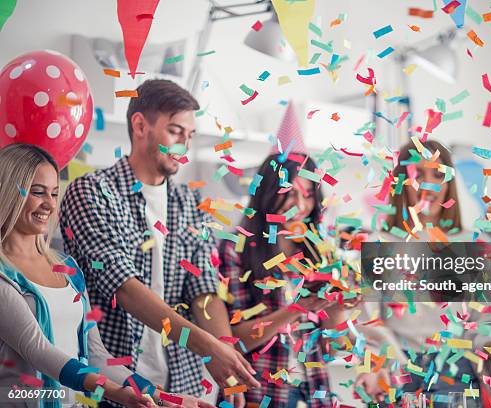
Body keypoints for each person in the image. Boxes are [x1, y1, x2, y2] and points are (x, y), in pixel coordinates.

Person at [59, 79, 259, 406]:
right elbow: (122, 286)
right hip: (115, 384)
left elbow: (203, 287)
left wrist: (226, 356)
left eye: (190, 136)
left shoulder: (188, 202)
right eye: (176, 132)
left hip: (181, 385)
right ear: (141, 125)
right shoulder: (92, 192)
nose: (185, 146)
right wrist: (210, 348)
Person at [0, 143, 210, 408]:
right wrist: (111, 390)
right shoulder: (4, 275)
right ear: (9, 192)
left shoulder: (68, 267)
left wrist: (164, 397)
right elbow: (38, 350)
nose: (49, 204)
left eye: (54, 193)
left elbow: (97, 355)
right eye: (38, 192)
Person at [356, 140, 487, 406]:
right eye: (418, 176)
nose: (429, 185)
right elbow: (369, 323)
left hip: (457, 373)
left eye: (438, 175)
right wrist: (390, 364)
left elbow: (482, 322)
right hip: (397, 371)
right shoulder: (378, 244)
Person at [218, 153, 349, 407]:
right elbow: (236, 340)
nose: (299, 206)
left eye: (308, 194)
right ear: (267, 192)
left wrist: (341, 307)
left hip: (313, 391)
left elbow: (331, 347)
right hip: (257, 394)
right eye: (289, 193)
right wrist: (296, 310)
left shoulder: (319, 251)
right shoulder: (236, 249)